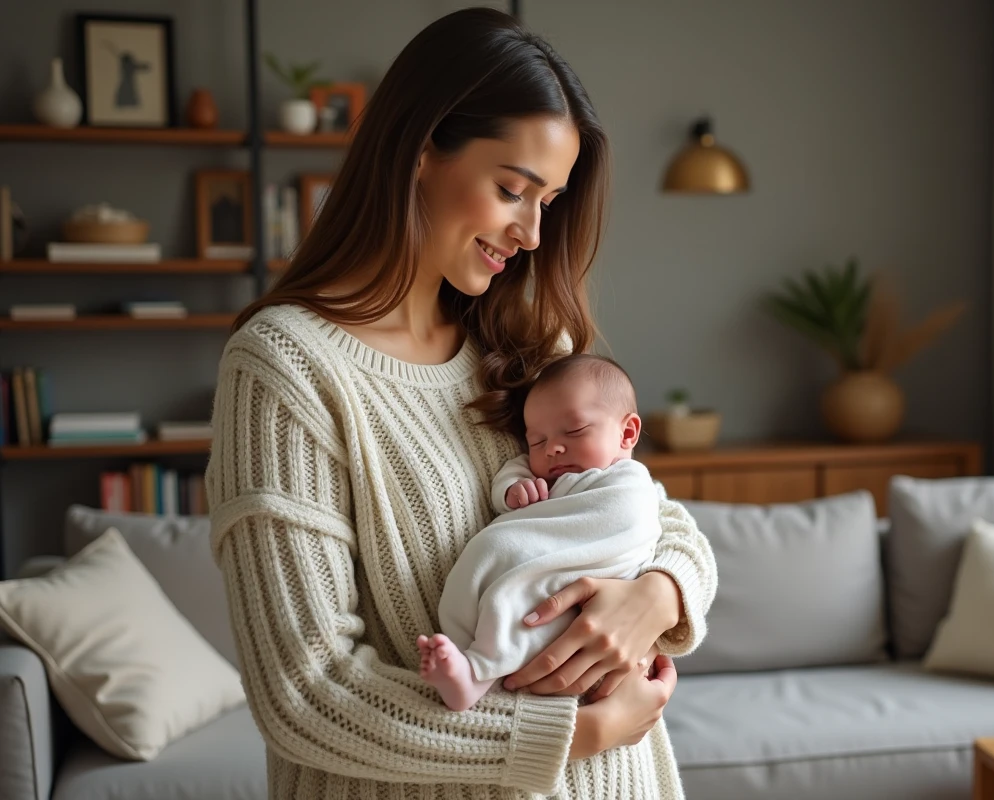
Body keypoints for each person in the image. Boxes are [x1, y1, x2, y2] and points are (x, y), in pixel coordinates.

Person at [204, 8, 717, 800]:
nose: (534, 232)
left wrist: (656, 597)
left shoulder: (523, 343)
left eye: (548, 199)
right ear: (418, 152)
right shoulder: (286, 367)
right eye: (512, 189)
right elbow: (306, 692)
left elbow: (648, 509)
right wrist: (576, 734)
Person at [420, 354, 662, 712]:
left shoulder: (630, 482)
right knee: (496, 550)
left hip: (594, 590)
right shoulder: (543, 475)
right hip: (548, 572)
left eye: (575, 431)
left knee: (533, 603)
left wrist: (663, 591)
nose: (552, 449)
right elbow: (511, 471)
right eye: (536, 441)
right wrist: (513, 489)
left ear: (627, 433)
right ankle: (470, 665)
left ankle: (478, 671)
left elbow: (654, 523)